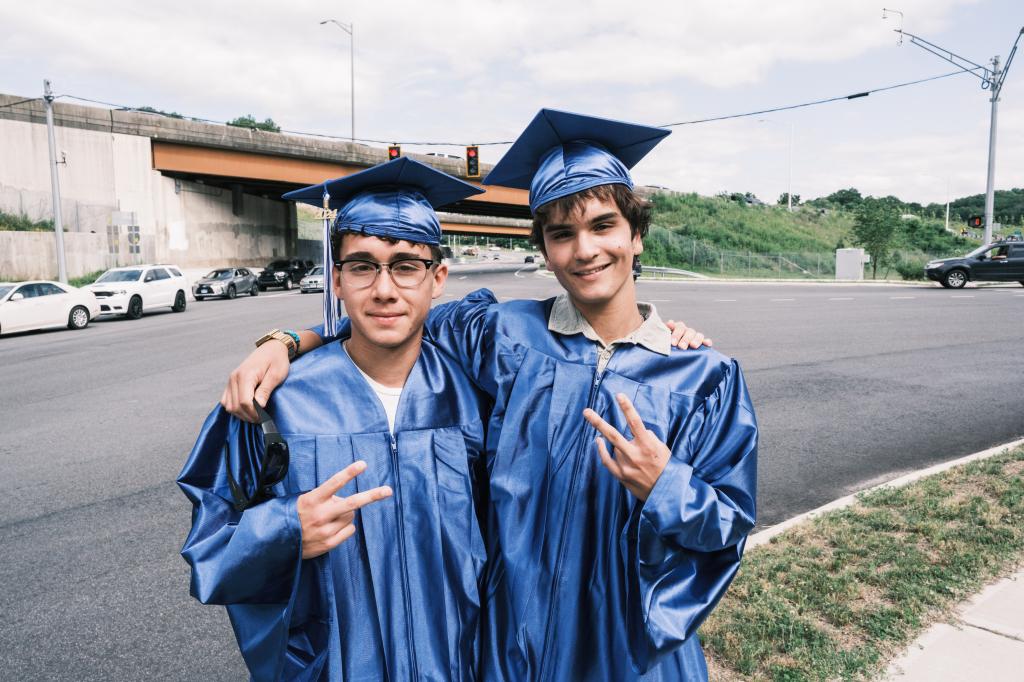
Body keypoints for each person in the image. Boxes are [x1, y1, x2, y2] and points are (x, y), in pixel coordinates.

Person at [224, 110, 757, 681]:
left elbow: (728, 525)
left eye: (603, 226)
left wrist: (667, 486)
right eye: (561, 234)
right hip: (514, 650)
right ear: (545, 250)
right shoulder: (503, 335)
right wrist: (288, 340)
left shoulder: (703, 378)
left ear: (636, 235)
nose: (584, 251)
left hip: (631, 654)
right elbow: (394, 313)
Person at [179, 157, 492, 681]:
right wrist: (283, 529)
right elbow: (210, 549)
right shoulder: (273, 400)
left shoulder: (475, 392)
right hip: (337, 666)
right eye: (363, 266)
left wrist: (668, 338)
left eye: (406, 265)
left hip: (460, 662)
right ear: (337, 279)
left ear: (437, 279)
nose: (385, 289)